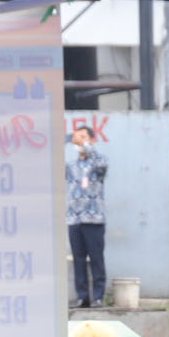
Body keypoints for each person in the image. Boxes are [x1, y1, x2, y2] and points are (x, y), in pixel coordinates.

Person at [65, 118, 107, 308]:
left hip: (94, 218)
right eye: (77, 137)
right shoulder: (72, 166)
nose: (79, 141)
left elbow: (101, 165)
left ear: (92, 140)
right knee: (78, 260)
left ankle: (98, 296)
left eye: (83, 137)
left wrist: (87, 147)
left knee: (96, 258)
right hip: (74, 218)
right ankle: (83, 297)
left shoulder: (98, 162)